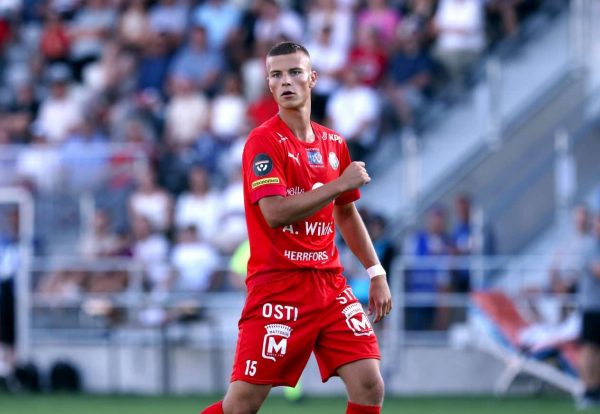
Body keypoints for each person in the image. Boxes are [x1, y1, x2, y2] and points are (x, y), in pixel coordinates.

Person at [201, 42, 392, 414]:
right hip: (279, 286)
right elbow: (274, 213)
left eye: (294, 72)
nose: (285, 81)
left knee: (369, 384)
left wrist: (376, 272)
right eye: (276, 75)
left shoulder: (334, 143)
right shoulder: (262, 141)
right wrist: (338, 185)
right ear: (269, 85)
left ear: (312, 78)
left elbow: (346, 213)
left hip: (329, 284)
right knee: (241, 405)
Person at [576, 212, 600, 409]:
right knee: (589, 349)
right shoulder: (590, 246)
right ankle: (587, 389)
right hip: (592, 306)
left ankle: (596, 389)